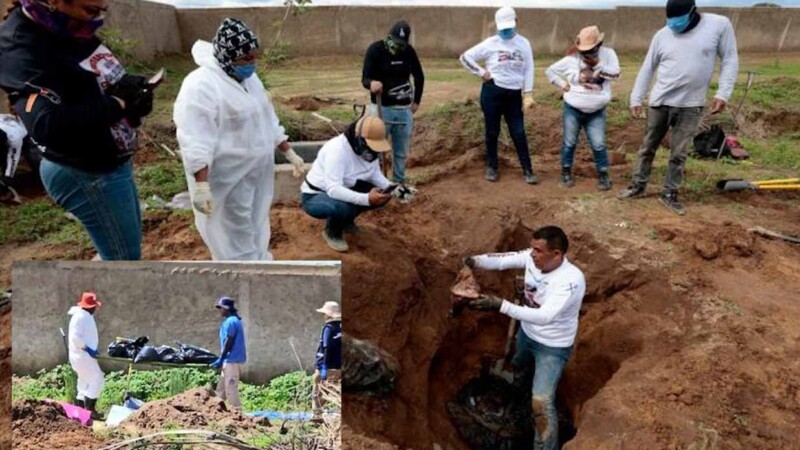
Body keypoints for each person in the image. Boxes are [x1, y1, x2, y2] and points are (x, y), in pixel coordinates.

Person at [0, 0, 154, 260]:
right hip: (87, 172)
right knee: (123, 265)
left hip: (109, 163)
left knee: (122, 254)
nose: (102, 10)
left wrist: (131, 91)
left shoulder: (68, 26)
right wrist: (119, 103)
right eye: (93, 8)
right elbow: (48, 124)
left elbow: (89, 83)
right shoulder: (21, 47)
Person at [174, 18, 305, 261]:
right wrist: (202, 187)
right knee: (235, 232)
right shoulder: (200, 86)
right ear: (227, 56)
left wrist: (289, 152)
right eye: (246, 59)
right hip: (228, 180)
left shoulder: (248, 79)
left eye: (255, 56)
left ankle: (258, 262)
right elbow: (195, 140)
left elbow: (267, 118)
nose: (252, 64)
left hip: (256, 175)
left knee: (256, 224)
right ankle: (244, 277)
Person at [462, 226, 586, 450]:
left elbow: (545, 316)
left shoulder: (571, 280)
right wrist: (472, 261)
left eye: (538, 250)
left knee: (541, 402)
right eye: (532, 248)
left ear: (556, 254)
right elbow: (500, 260)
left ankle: (546, 447)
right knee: (520, 371)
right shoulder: (532, 259)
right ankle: (520, 400)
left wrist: (501, 305)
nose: (532, 254)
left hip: (552, 347)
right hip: (527, 336)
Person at [618, 0, 738, 215]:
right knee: (647, 147)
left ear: (693, 12)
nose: (674, 24)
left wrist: (723, 93)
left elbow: (730, 58)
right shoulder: (662, 35)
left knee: (679, 153)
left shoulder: (719, 25)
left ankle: (670, 193)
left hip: (691, 105)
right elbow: (648, 67)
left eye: (678, 19)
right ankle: (638, 185)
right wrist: (636, 97)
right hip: (660, 102)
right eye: (670, 20)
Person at [301, 115, 413, 253]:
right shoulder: (337, 150)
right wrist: (366, 199)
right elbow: (333, 189)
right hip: (316, 195)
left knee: (383, 196)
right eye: (370, 145)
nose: (371, 152)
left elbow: (374, 175)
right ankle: (332, 232)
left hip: (344, 188)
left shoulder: (370, 152)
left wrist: (396, 189)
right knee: (343, 208)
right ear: (358, 138)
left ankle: (347, 221)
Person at [460, 6, 537, 185]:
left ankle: (527, 169)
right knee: (492, 131)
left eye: (509, 26)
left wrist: (528, 93)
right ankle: (492, 166)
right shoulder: (490, 43)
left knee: (518, 132)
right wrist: (481, 72)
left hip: (513, 94)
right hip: (492, 92)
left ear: (516, 22)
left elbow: (529, 68)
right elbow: (465, 58)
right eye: (503, 27)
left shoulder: (524, 43)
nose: (506, 30)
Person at [546, 26, 620, 191]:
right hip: (573, 109)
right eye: (584, 51)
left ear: (598, 45)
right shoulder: (572, 58)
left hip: (597, 111)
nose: (586, 54)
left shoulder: (608, 55)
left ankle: (603, 175)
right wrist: (562, 83)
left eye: (591, 51)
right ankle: (565, 172)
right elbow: (550, 71)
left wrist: (598, 66)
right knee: (569, 142)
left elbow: (616, 74)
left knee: (599, 144)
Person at [361, 20, 424, 186]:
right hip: (382, 109)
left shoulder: (408, 51)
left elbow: (419, 76)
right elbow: (365, 79)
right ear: (390, 36)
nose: (399, 46)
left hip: (404, 110)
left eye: (402, 43)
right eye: (396, 42)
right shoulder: (376, 50)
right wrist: (372, 84)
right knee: (375, 148)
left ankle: (399, 184)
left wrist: (416, 101)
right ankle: (376, 184)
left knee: (401, 151)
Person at [67, 292, 105, 421]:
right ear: (90, 306)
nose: (95, 308)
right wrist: (87, 348)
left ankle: (80, 411)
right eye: (94, 306)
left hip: (81, 355)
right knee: (97, 379)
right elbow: (75, 338)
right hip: (82, 354)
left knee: (84, 381)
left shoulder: (84, 315)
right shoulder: (80, 317)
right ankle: (90, 410)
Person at [210, 296, 246, 409]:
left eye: (221, 308)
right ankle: (216, 411)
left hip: (232, 360)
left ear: (227, 308)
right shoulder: (231, 321)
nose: (220, 310)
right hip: (228, 360)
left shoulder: (231, 322)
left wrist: (221, 358)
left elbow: (229, 342)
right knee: (220, 390)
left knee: (231, 388)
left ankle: (238, 412)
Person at [312, 301, 342, 422]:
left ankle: (317, 415)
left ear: (328, 315)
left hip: (327, 366)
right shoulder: (341, 327)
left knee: (318, 390)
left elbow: (326, 347)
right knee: (334, 389)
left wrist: (323, 366)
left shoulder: (328, 328)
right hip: (339, 366)